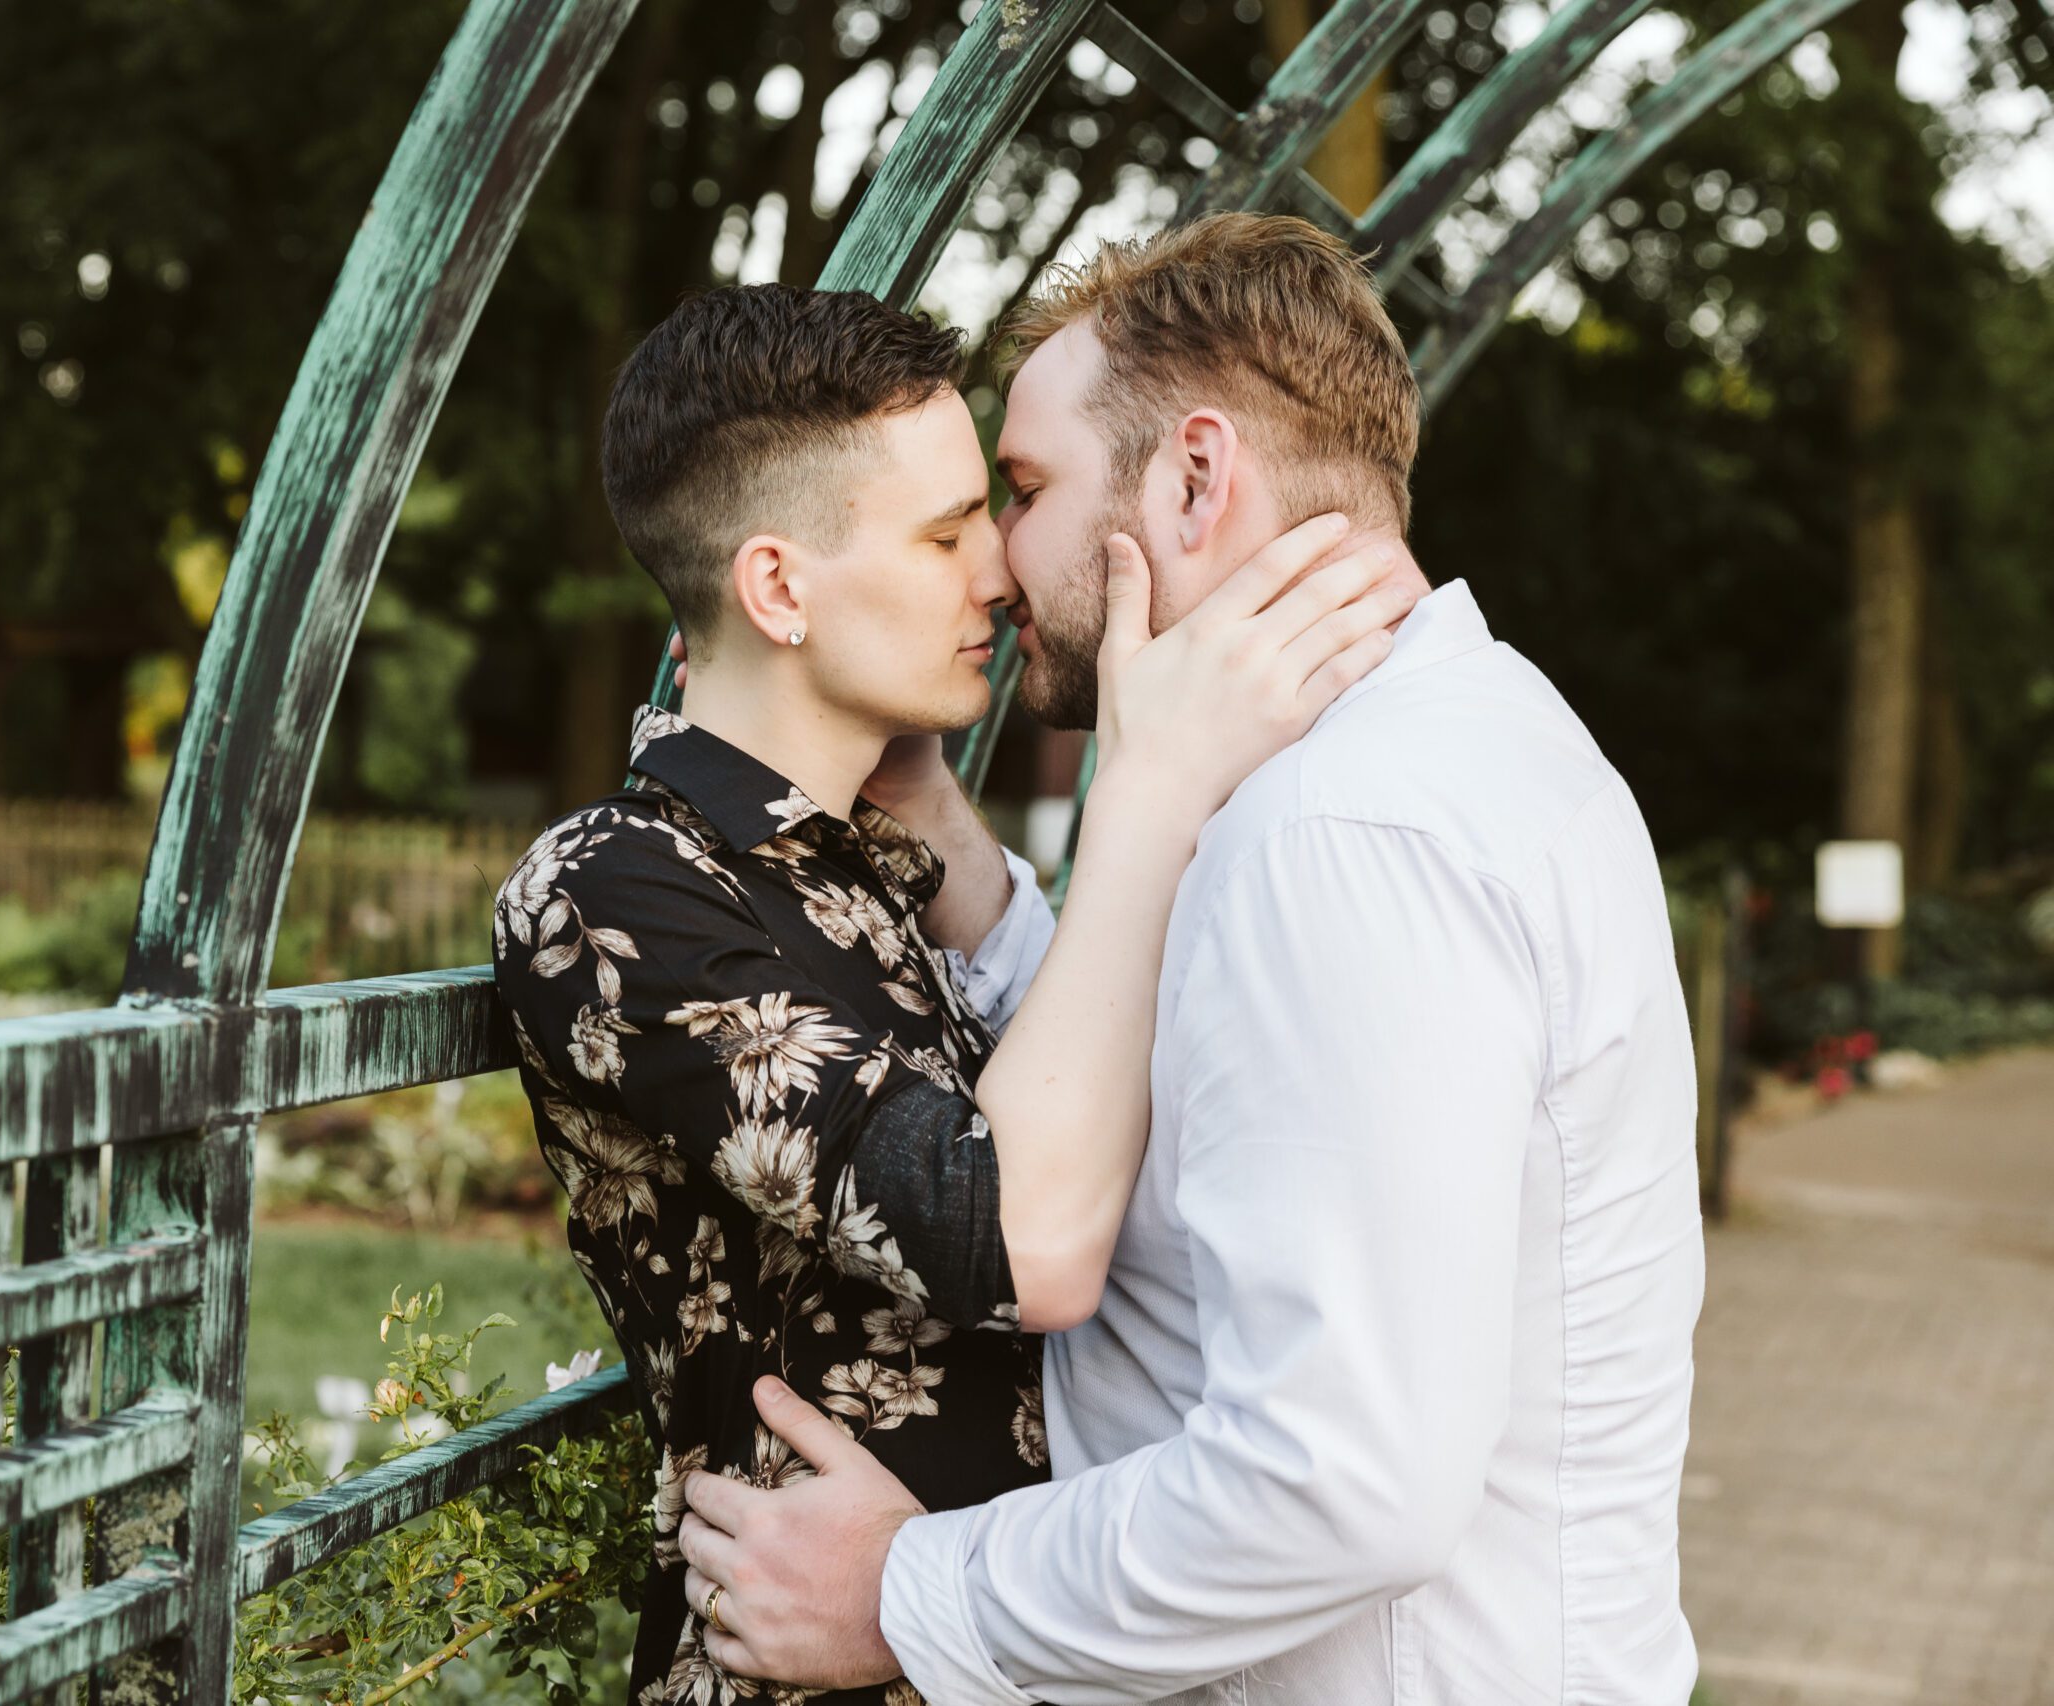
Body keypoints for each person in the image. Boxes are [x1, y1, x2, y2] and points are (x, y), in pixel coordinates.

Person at [675, 214, 1707, 1705]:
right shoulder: (1455, 743)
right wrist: (961, 853)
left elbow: (1341, 1478)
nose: (996, 562)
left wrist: (906, 1592)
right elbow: (1212, 1108)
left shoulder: (1344, 830)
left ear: (1194, 477)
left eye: (1026, 490)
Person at [490, 280, 1406, 1706]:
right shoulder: (612, 891)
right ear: (779, 589)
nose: (999, 571)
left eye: (995, 510)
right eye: (945, 533)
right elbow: (1025, 1242)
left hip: (1001, 1648)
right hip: (803, 1670)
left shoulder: (883, 856)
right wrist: (1149, 787)